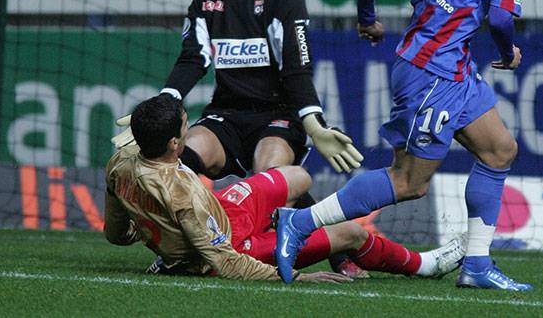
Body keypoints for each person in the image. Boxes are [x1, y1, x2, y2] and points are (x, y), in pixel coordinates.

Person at [274, 0, 534, 291]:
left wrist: (367, 20)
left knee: (499, 151)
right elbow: (503, 19)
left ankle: (476, 265)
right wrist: (508, 53)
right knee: (409, 182)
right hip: (434, 71)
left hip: (451, 68)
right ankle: (300, 221)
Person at [113, 0, 364, 276]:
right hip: (225, 117)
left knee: (270, 174)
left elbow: (296, 69)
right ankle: (180, 250)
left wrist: (312, 124)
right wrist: (162, 110)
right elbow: (191, 60)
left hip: (277, 116)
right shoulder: (206, 3)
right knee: (178, 156)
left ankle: (335, 250)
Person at [104, 94, 466, 281]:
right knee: (351, 234)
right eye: (185, 127)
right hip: (233, 246)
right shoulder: (181, 190)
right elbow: (223, 261)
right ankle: (425, 265)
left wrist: (154, 231)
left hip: (221, 213)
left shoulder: (120, 161)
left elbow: (115, 234)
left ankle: (288, 228)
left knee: (298, 177)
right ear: (173, 145)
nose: (189, 128)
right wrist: (290, 275)